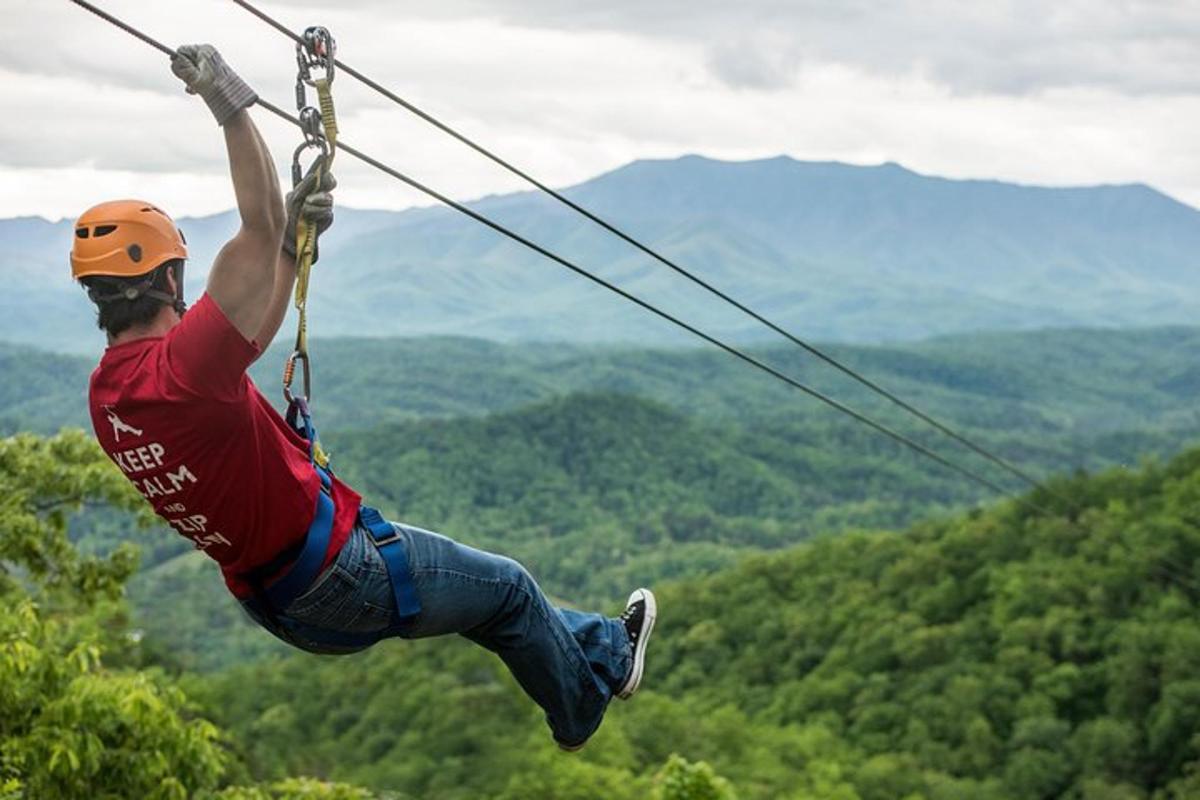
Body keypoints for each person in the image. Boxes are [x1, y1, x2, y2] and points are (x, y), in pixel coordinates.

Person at [72, 44, 656, 751]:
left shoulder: (112, 394)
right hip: (341, 575)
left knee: (492, 603)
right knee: (505, 586)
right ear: (170, 279)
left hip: (281, 599)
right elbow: (255, 229)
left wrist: (291, 249)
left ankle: (601, 650)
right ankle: (581, 707)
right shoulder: (185, 369)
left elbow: (247, 332)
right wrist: (229, 107)